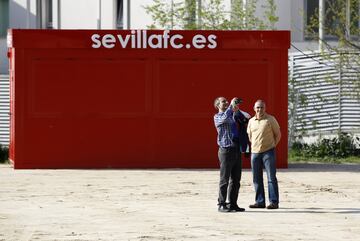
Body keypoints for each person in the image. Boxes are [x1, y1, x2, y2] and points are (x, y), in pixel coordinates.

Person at [247, 99, 281, 209]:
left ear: (265, 108)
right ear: (254, 108)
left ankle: (274, 202)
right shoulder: (251, 121)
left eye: (261, 107)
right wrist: (255, 146)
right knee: (256, 178)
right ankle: (260, 201)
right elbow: (250, 136)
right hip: (255, 153)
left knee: (271, 178)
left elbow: (278, 134)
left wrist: (272, 146)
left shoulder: (270, 120)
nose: (259, 109)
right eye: (257, 107)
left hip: (268, 152)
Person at [213, 96, 245, 212]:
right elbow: (225, 117)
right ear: (217, 105)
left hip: (236, 148)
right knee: (224, 179)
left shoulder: (231, 114)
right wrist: (231, 106)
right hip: (225, 150)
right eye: (223, 102)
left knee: (236, 179)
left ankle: (232, 203)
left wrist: (236, 109)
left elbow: (244, 120)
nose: (226, 103)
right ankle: (221, 203)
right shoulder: (217, 117)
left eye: (227, 101)